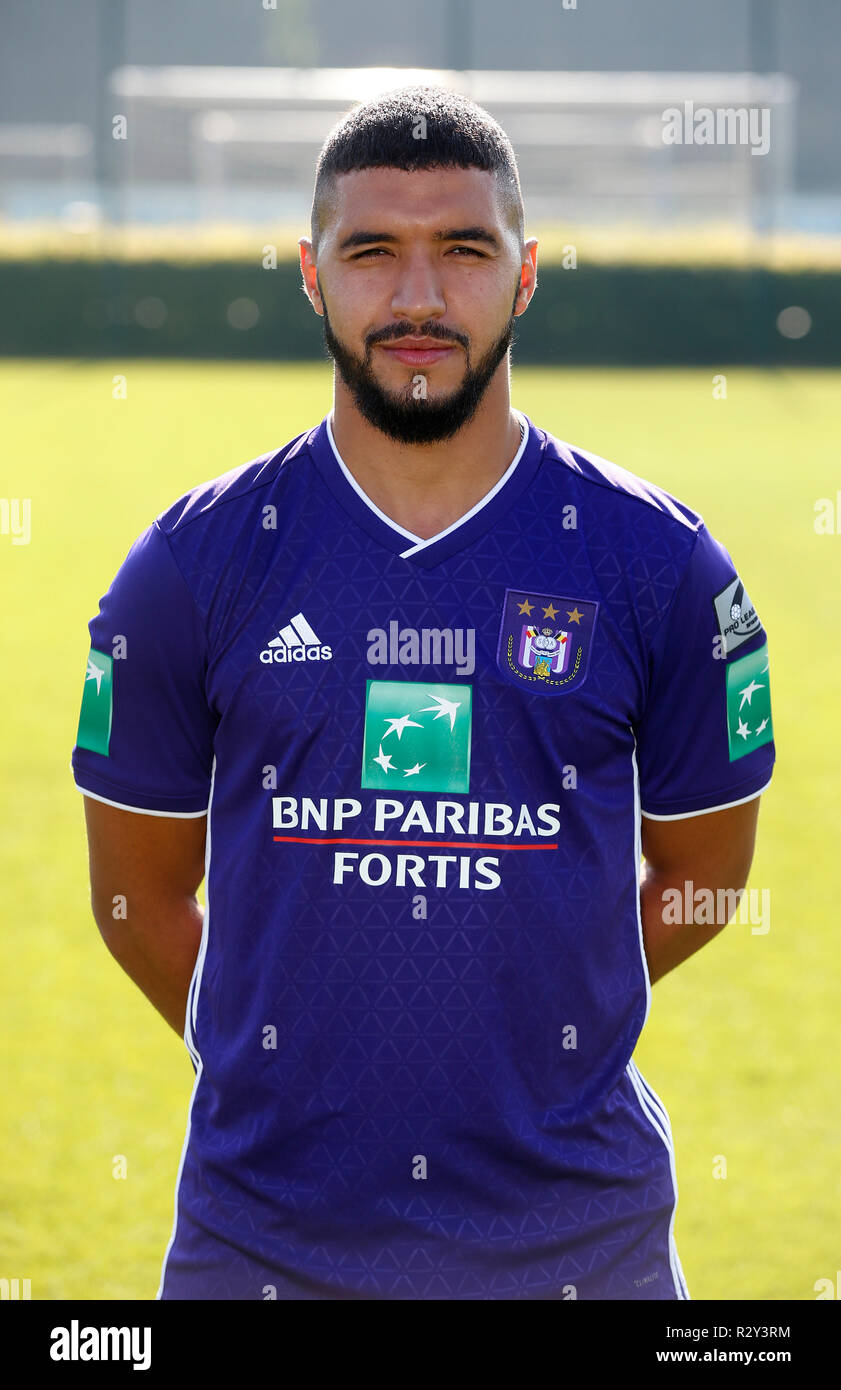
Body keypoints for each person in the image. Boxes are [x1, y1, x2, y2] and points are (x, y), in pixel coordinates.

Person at [71, 86, 775, 1301]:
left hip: (578, 1249)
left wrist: (539, 1010)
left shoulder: (657, 565)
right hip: (261, 1248)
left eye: (462, 250)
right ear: (309, 272)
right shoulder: (191, 568)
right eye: (371, 252)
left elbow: (704, 881)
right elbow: (136, 898)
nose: (415, 297)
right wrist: (277, 1059)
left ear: (526, 272)